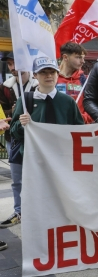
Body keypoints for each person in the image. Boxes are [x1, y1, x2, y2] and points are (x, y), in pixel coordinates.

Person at [10, 56, 84, 156]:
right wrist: (22, 124)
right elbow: (13, 132)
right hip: (33, 158)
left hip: (61, 157)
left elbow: (79, 130)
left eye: (52, 72)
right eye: (43, 72)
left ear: (57, 74)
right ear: (35, 75)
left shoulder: (67, 101)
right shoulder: (25, 100)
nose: (48, 75)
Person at [0, 53, 38, 229]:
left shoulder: (38, 84)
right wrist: (12, 112)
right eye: (9, 64)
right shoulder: (5, 87)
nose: (12, 67)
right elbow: (3, 110)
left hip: (38, 140)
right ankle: (19, 211)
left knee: (39, 177)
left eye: (14, 62)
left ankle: (37, 211)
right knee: (17, 179)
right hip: (14, 138)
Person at [57, 42, 93, 124]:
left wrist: (80, 118)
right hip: (56, 129)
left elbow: (92, 106)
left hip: (78, 129)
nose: (83, 61)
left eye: (83, 58)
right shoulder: (52, 78)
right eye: (78, 57)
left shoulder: (85, 80)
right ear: (65, 57)